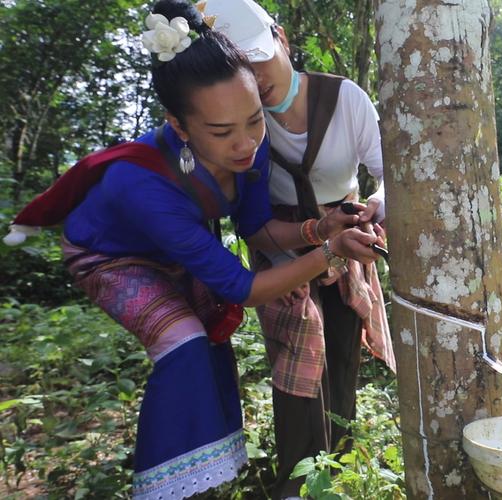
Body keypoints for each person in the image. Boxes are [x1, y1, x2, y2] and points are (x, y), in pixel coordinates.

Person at [6, 1, 384, 498]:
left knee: (213, 339)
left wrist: (318, 229)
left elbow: (257, 228)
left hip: (176, 248)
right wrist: (331, 250)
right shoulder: (139, 185)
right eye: (222, 132)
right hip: (112, 256)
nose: (247, 144)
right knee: (184, 342)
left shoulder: (256, 142)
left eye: (253, 120)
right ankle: (164, 486)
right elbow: (242, 287)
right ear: (180, 126)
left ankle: (218, 469)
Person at [204, 1, 396, 497]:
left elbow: (389, 174)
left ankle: (342, 466)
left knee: (340, 351)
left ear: (282, 39)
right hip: (283, 246)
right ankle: (298, 479)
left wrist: (375, 206)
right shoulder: (243, 130)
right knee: (295, 364)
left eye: (259, 57)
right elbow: (256, 226)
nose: (255, 75)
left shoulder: (345, 100)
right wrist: (317, 236)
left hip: (349, 239)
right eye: (239, 68)